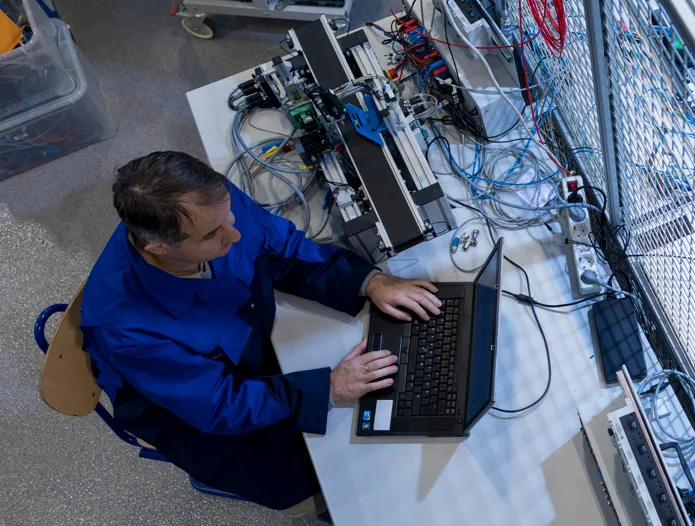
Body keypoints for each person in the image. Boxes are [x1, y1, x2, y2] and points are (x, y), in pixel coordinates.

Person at [79, 151, 442, 516]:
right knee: (341, 480)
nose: (234, 233)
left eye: (229, 214)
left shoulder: (208, 205)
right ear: (159, 247)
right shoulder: (127, 329)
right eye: (213, 235)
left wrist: (369, 281)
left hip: (235, 354)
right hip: (194, 414)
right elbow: (221, 405)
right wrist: (328, 388)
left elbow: (278, 248)